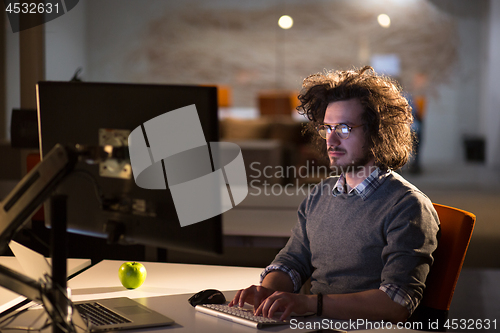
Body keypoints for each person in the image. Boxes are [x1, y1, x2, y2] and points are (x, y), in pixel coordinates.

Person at [229, 66, 440, 323]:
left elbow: (395, 304)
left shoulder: (408, 206)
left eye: (344, 128)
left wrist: (308, 303)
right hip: (311, 322)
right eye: (327, 128)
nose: (331, 140)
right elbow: (293, 260)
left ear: (378, 133)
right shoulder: (320, 194)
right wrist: (268, 291)